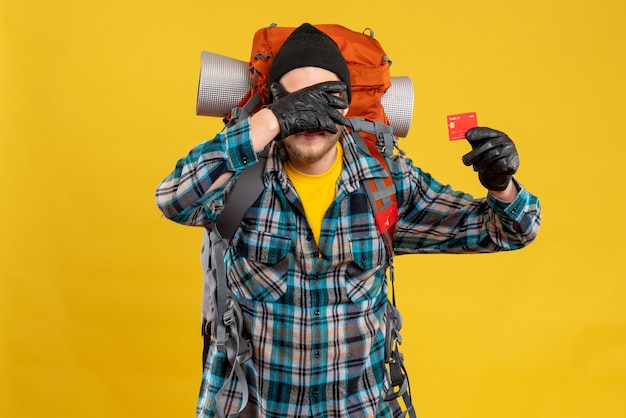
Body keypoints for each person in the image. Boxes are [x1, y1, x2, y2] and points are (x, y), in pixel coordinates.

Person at [155, 23, 541, 418]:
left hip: (360, 407)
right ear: (273, 103)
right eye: (293, 103)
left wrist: (502, 186)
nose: (309, 117)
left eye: (326, 98)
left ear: (345, 105)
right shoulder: (240, 176)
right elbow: (173, 198)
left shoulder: (385, 179)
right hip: (250, 406)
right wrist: (269, 123)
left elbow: (511, 229)